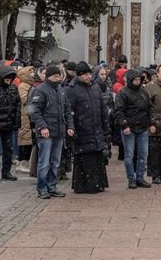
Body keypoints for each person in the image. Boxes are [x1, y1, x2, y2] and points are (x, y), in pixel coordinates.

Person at [27, 65, 75, 198]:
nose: (58, 78)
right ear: (48, 76)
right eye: (55, 76)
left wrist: (70, 126)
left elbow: (67, 110)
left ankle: (52, 186)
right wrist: (42, 127)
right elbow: (34, 111)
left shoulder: (61, 90)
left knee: (55, 161)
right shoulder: (40, 90)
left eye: (59, 76)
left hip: (59, 131)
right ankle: (42, 188)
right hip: (46, 132)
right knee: (44, 162)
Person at [66, 62, 109, 194]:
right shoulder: (71, 89)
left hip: (95, 127)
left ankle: (97, 184)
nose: (88, 77)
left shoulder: (94, 87)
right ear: (79, 75)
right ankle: (86, 185)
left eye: (89, 74)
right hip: (82, 128)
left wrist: (105, 126)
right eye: (85, 74)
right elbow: (69, 110)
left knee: (97, 156)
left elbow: (102, 108)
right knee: (85, 158)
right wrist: (72, 128)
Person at [113, 69, 152, 188]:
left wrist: (151, 122)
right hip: (129, 127)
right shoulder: (123, 93)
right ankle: (131, 178)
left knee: (143, 154)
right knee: (129, 154)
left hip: (142, 126)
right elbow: (118, 111)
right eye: (135, 80)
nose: (137, 82)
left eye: (139, 80)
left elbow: (149, 108)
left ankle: (140, 176)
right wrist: (124, 125)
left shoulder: (143, 91)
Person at [15, 66, 37, 174]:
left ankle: (26, 161)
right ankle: (21, 162)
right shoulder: (23, 85)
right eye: (30, 71)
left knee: (29, 140)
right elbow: (24, 99)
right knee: (24, 139)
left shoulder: (31, 85)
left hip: (29, 114)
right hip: (25, 115)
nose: (32, 73)